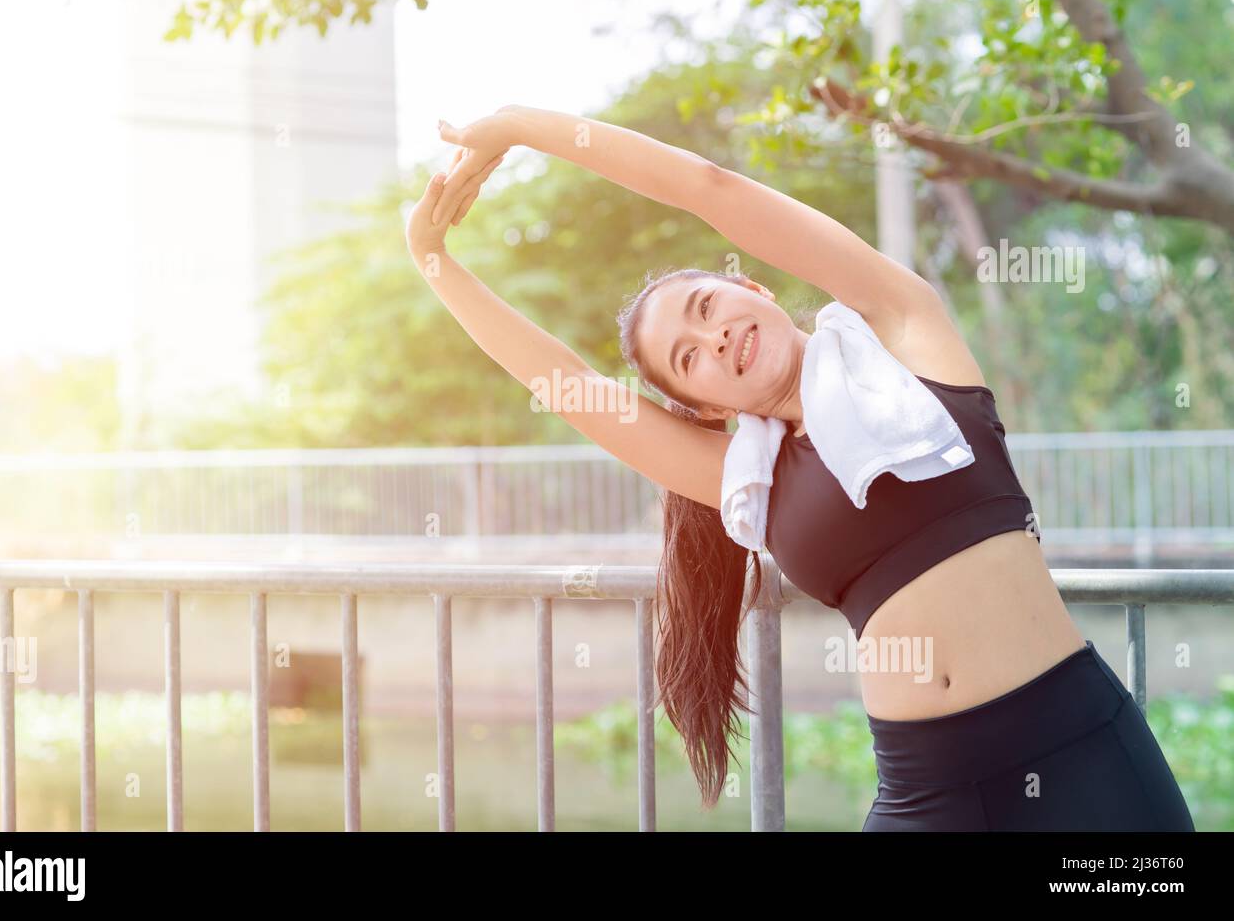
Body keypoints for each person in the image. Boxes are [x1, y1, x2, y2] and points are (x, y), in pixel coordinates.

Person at [404, 104, 1195, 831]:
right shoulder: (743, 477)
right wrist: (433, 259)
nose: (711, 339)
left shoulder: (906, 331)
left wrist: (518, 125)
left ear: (750, 286)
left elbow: (706, 187)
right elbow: (563, 388)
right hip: (931, 794)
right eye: (687, 358)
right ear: (708, 407)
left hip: (1082, 755)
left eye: (708, 308)